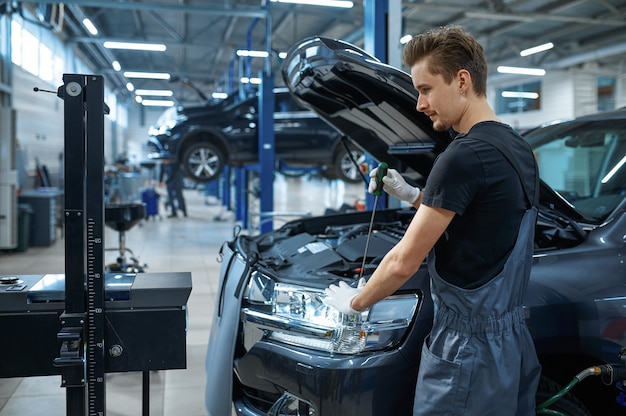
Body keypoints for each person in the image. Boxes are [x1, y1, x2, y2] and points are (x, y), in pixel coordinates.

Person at [323, 26, 541, 415]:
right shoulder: (516, 147)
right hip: (512, 344)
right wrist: (412, 195)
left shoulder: (462, 156)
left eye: (425, 89)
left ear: (461, 81)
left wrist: (355, 304)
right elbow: (482, 221)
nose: (419, 104)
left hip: (467, 349)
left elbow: (403, 262)